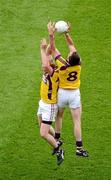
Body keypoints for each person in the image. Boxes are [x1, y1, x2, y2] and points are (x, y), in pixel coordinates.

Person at [47, 21, 88, 157]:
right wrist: (66, 33)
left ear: (69, 59)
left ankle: (57, 139)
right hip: (74, 94)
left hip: (62, 94)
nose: (69, 53)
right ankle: (79, 148)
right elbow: (72, 47)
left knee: (59, 116)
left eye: (70, 55)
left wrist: (52, 35)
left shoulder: (62, 64)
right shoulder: (78, 65)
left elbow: (53, 49)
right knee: (77, 121)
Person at [37, 38, 64, 165]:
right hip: (43, 102)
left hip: (49, 105)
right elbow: (49, 52)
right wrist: (50, 37)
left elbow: (46, 63)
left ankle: (58, 150)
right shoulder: (49, 68)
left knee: (43, 134)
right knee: (42, 125)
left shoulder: (54, 74)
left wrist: (42, 49)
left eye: (46, 64)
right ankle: (57, 140)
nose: (43, 66)